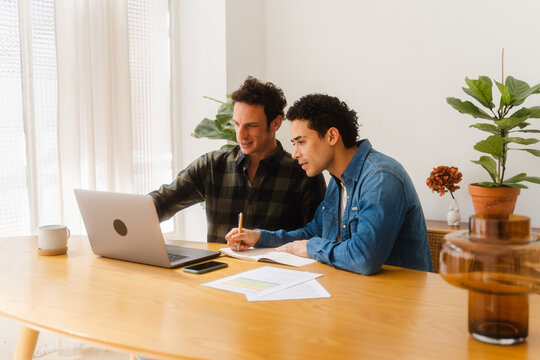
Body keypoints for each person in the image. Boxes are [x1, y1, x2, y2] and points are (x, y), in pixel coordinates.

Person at [226, 94, 432, 274]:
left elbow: (365, 258)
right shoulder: (338, 181)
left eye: (301, 142)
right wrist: (259, 236)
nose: (295, 153)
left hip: (400, 303)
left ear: (332, 136)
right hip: (357, 295)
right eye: (294, 144)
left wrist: (311, 248)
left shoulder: (381, 177)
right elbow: (313, 231)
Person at [149, 77, 327, 243]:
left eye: (251, 125)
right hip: (217, 274)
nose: (240, 135)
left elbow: (315, 237)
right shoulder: (212, 165)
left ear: (275, 123)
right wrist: (128, 214)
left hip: (276, 274)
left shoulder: (303, 174)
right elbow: (162, 202)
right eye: (236, 124)